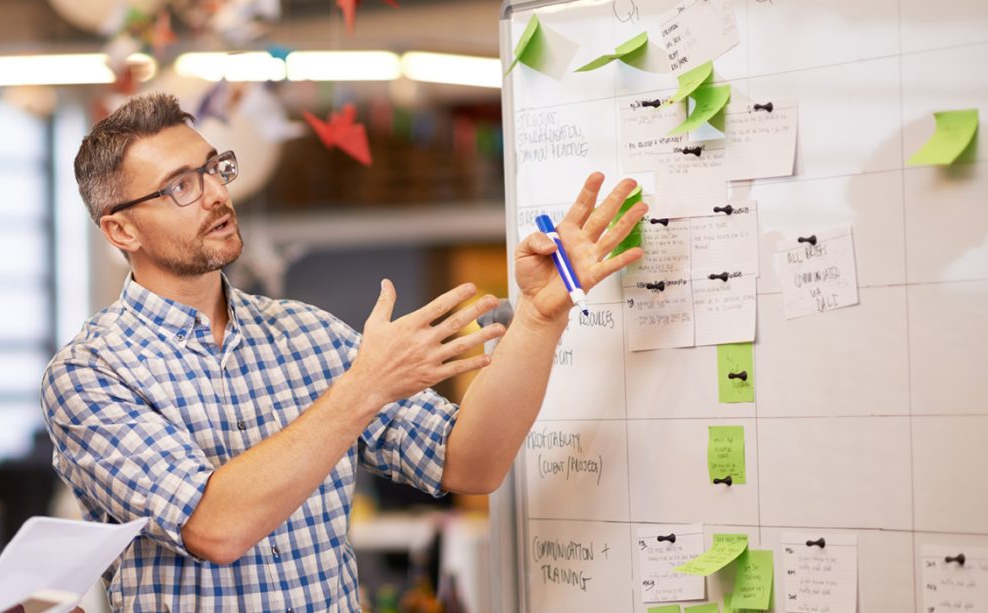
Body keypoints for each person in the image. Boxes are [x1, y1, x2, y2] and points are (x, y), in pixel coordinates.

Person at [41, 92, 647, 610]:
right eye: (179, 186)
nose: (215, 196)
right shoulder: (89, 374)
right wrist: (362, 388)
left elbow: (471, 462)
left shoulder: (308, 333)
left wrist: (540, 318)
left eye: (212, 169)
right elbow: (214, 527)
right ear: (121, 230)